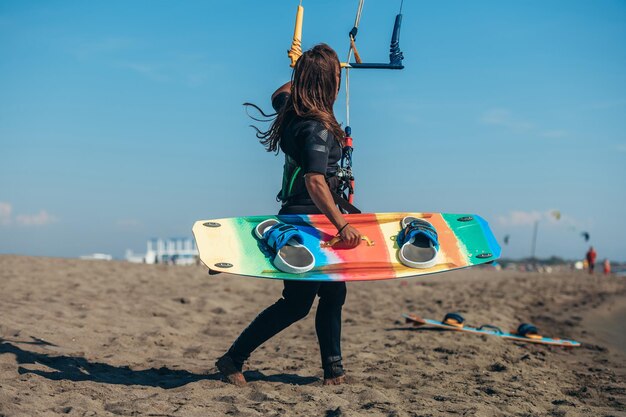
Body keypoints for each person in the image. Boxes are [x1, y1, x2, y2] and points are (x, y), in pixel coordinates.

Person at [215, 44, 361, 386]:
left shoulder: (292, 111)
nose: (340, 83)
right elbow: (315, 180)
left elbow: (279, 93)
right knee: (297, 303)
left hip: (297, 216)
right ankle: (233, 358)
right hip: (312, 223)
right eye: (336, 77)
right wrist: (342, 224)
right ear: (327, 84)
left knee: (326, 295)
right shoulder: (316, 128)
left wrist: (302, 68)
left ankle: (333, 371)